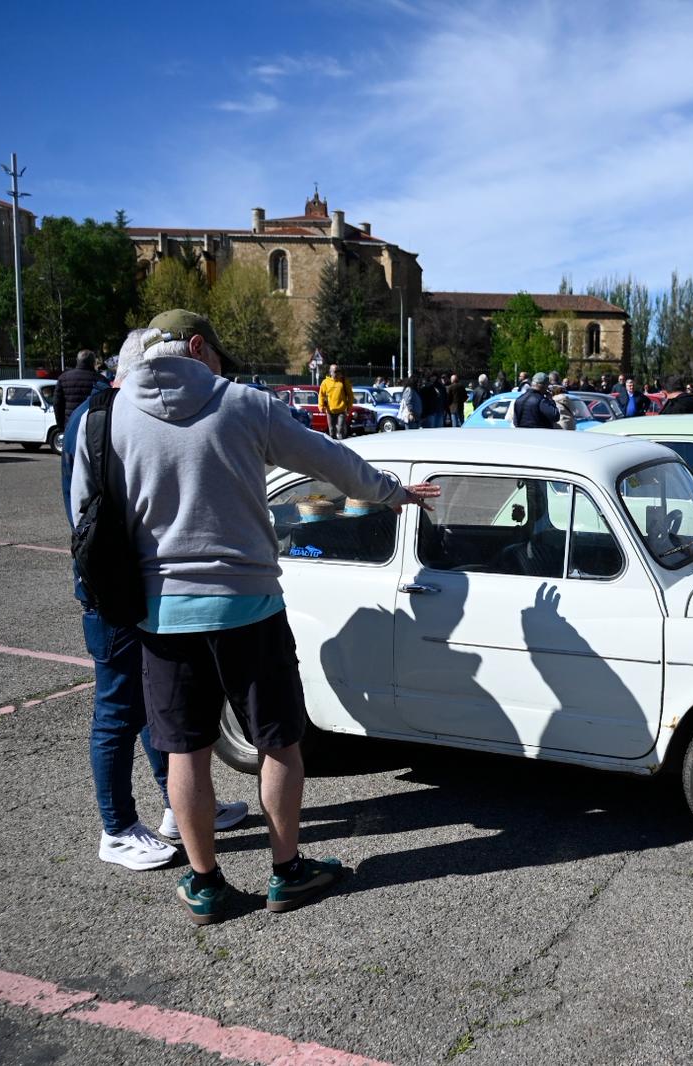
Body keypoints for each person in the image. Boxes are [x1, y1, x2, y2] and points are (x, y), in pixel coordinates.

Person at [71, 309, 440, 922]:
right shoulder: (243, 404)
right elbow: (331, 462)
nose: (222, 367)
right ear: (197, 347)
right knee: (279, 743)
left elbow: (86, 513)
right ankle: (287, 872)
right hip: (249, 606)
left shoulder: (102, 418)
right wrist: (391, 492)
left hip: (162, 614)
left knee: (185, 751)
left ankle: (206, 883)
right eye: (218, 355)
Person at [62, 327, 249, 872]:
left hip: (137, 584)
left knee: (151, 704)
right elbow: (85, 514)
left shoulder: (119, 412)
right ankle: (117, 828)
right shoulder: (101, 417)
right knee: (117, 708)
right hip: (114, 587)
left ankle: (177, 806)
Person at [56, 350, 105, 428]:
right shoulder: (101, 380)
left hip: (70, 424)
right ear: (93, 362)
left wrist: (61, 425)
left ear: (77, 360)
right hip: (92, 426)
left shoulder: (63, 378)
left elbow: (57, 404)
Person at [318, 364, 351, 439]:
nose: (338, 373)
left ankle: (342, 444)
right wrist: (321, 406)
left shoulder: (343, 381)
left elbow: (350, 395)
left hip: (341, 410)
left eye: (339, 371)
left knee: (340, 429)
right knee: (331, 431)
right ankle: (333, 445)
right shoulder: (325, 382)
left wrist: (349, 407)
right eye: (335, 371)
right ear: (330, 372)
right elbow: (321, 395)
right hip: (330, 411)